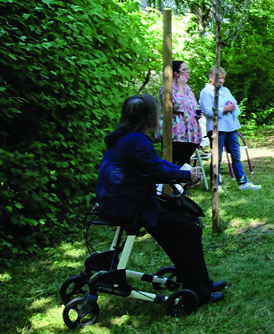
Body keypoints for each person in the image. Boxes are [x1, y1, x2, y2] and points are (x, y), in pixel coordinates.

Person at [97, 94, 226, 306]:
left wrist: (185, 171)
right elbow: (157, 171)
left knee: (186, 224)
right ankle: (199, 291)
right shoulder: (135, 140)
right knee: (188, 230)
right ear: (148, 118)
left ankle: (200, 282)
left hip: (126, 202)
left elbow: (156, 163)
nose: (159, 118)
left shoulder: (126, 137)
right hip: (129, 206)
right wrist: (188, 175)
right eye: (157, 115)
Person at [199, 66, 261, 191]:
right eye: (219, 78)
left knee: (236, 155)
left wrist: (232, 107)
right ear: (211, 77)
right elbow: (207, 111)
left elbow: (234, 104)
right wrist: (224, 109)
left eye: (223, 78)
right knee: (218, 157)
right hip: (217, 128)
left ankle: (243, 182)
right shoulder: (206, 92)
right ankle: (216, 184)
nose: (221, 81)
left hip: (231, 127)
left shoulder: (225, 90)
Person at [160, 60, 203, 167]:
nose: (188, 72)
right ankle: (168, 183)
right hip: (175, 134)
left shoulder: (188, 88)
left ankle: (182, 183)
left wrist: (197, 112)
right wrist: (180, 87)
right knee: (173, 161)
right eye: (184, 70)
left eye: (188, 69)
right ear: (176, 73)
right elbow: (177, 107)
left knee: (185, 162)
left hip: (190, 134)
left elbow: (193, 106)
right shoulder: (166, 88)